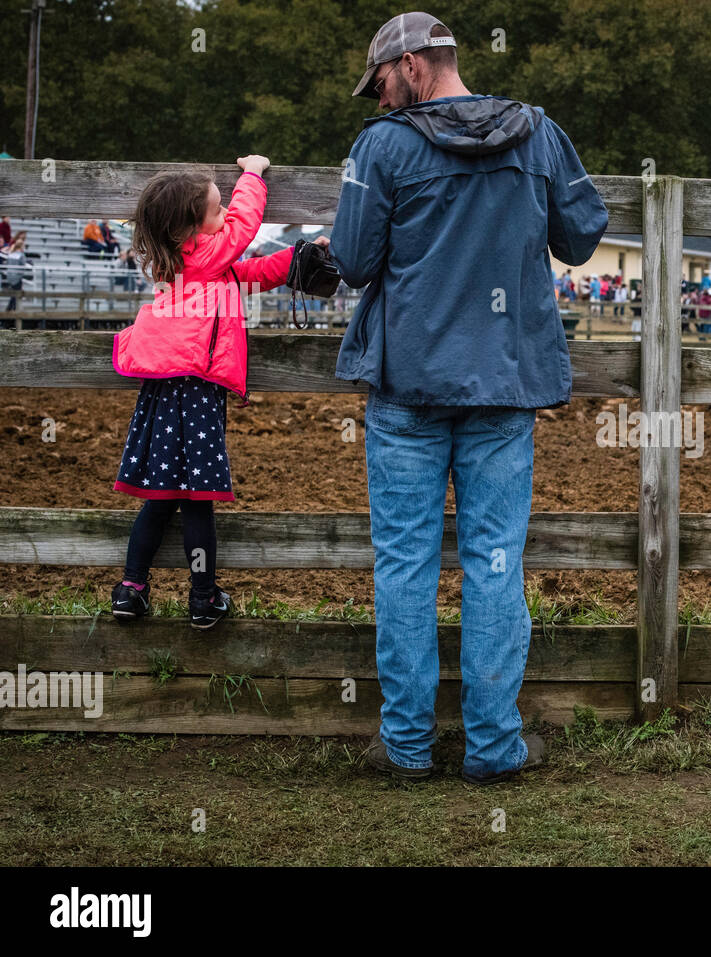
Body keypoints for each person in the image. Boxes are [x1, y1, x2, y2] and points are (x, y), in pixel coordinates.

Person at [333, 11, 607, 784]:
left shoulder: (383, 147)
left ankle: (407, 746)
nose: (380, 98)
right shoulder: (538, 133)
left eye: (382, 82)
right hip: (503, 386)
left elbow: (353, 259)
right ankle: (493, 746)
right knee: (494, 563)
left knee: (405, 565)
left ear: (414, 65)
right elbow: (583, 235)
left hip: (408, 387)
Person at [109, 156, 312, 630]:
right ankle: (203, 597)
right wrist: (253, 175)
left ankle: (131, 587)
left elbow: (246, 275)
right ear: (188, 228)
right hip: (196, 393)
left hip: (163, 396)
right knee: (198, 497)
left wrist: (295, 260)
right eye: (216, 212)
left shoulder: (183, 259)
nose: (225, 220)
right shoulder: (208, 253)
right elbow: (243, 228)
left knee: (159, 497)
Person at [2, 235, 29, 311]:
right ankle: (9, 310)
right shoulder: (21, 255)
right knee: (16, 294)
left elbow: (7, 264)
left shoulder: (11, 254)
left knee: (15, 294)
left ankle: (12, 309)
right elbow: (23, 266)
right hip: (17, 277)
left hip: (10, 276)